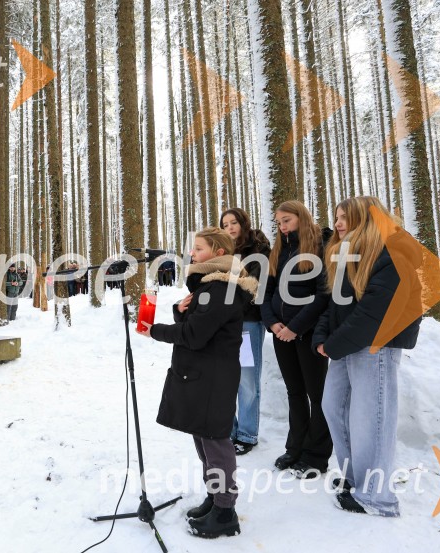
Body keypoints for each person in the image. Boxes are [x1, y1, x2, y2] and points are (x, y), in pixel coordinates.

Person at [137, 227, 258, 539]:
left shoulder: (220, 289)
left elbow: (194, 335)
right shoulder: (211, 287)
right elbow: (197, 325)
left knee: (216, 442)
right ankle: (215, 497)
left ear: (218, 254)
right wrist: (180, 311)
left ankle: (225, 511)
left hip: (213, 377)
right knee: (204, 439)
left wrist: (154, 330)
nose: (192, 254)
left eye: (199, 249)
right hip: (203, 374)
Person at [314, 196, 421, 516]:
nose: (337, 223)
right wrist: (322, 337)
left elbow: (375, 311)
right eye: (336, 217)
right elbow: (334, 307)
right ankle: (355, 479)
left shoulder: (392, 252)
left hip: (376, 347)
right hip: (347, 346)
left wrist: (333, 344)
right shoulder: (348, 255)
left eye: (345, 216)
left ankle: (377, 498)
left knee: (370, 421)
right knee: (334, 407)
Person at [260, 200, 332, 478]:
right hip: (281, 333)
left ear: (301, 218)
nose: (282, 226)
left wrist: (296, 327)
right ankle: (295, 447)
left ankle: (316, 456)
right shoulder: (278, 251)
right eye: (278, 222)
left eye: (287, 220)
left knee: (318, 395)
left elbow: (323, 295)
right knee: (294, 392)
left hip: (308, 333)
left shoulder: (318, 247)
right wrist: (273, 323)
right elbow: (266, 293)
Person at [220, 207, 272, 456]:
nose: (229, 227)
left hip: (248, 322)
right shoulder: (222, 251)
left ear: (243, 223)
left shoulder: (258, 249)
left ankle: (248, 434)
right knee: (225, 377)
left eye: (233, 222)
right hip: (223, 324)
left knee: (247, 379)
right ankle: (228, 430)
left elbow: (253, 288)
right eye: (225, 224)